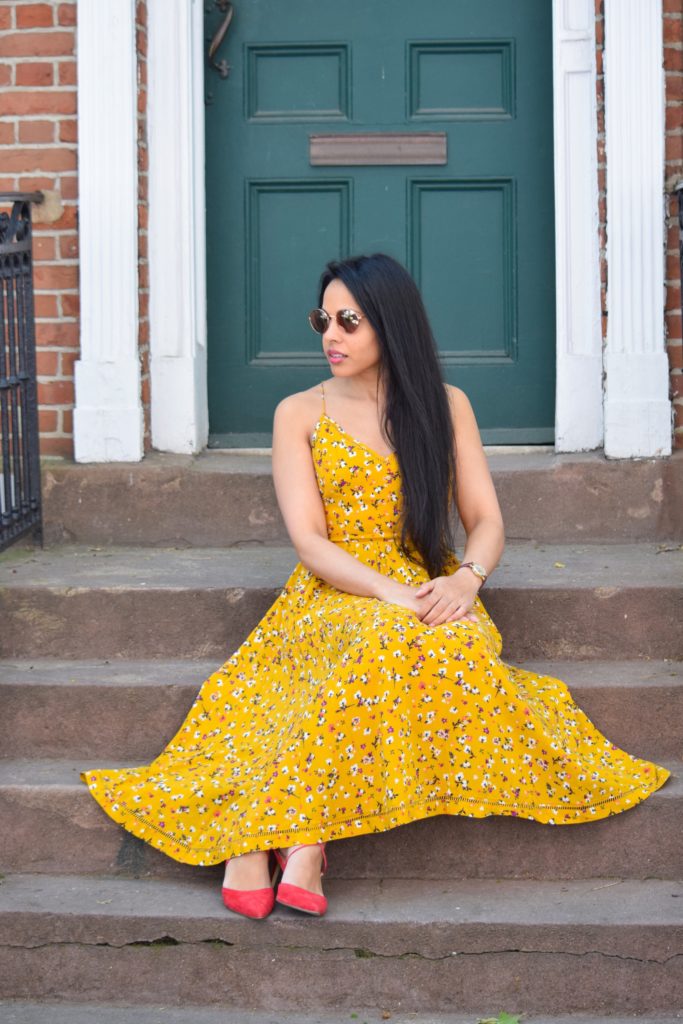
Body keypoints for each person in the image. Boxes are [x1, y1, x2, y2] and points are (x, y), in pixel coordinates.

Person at [81, 253, 670, 920]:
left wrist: (467, 580)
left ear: (389, 325)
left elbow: (486, 521)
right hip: (331, 591)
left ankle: (267, 836)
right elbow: (308, 540)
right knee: (379, 640)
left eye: (348, 321)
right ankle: (294, 839)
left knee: (444, 648)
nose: (329, 335)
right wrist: (388, 595)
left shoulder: (445, 407)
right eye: (322, 320)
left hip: (426, 584)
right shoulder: (298, 412)